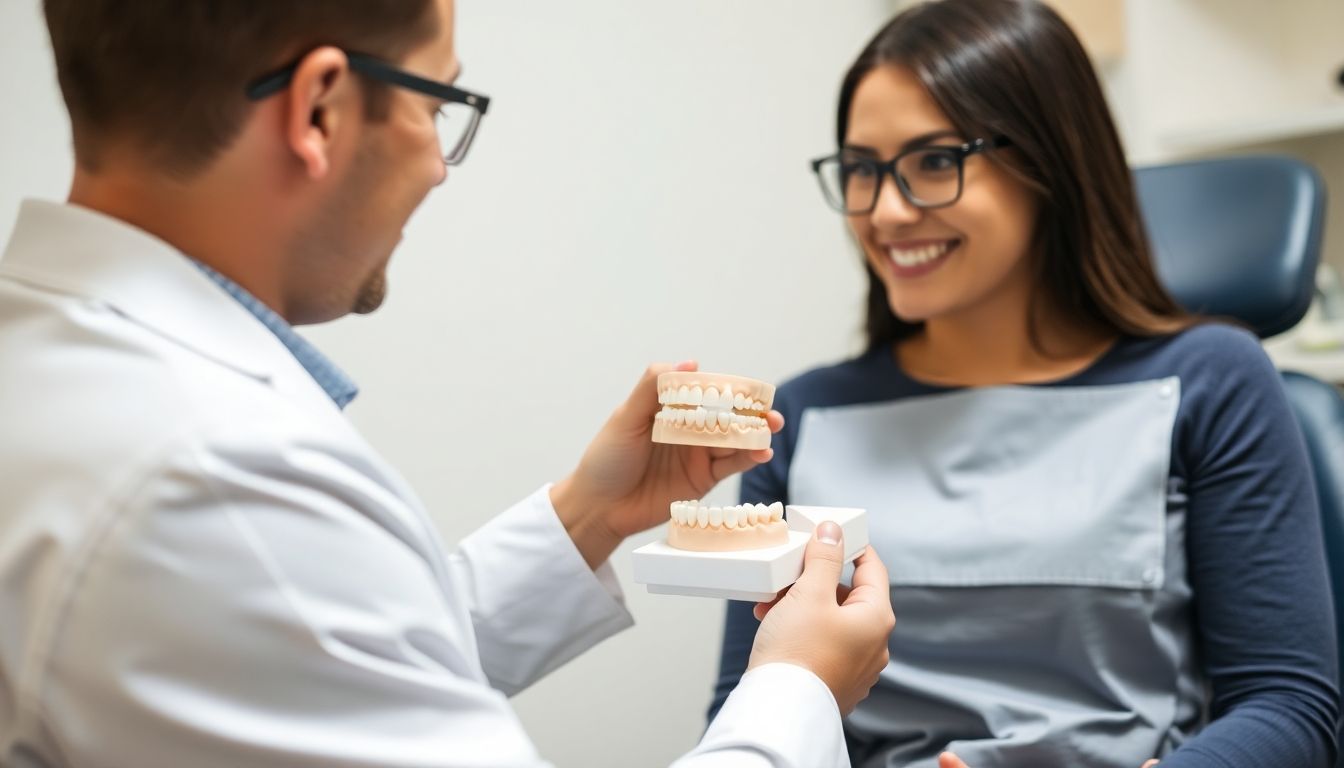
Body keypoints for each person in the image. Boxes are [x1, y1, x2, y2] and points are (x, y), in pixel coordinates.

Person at [0, 1, 896, 766]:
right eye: (438, 105)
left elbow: (334, 670)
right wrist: (800, 687)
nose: (437, 164)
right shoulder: (215, 476)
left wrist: (590, 514)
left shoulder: (58, 367)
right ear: (320, 109)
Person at [710, 1, 1340, 766]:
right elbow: (747, 709)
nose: (887, 211)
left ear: (1050, 162)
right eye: (862, 170)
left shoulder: (1212, 381)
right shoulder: (801, 418)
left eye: (934, 162)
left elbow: (1289, 706)